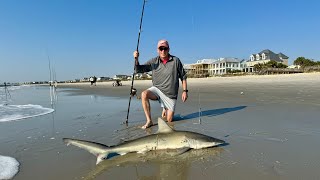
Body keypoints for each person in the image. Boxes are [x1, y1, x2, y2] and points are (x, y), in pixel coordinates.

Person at [133, 39, 188, 129]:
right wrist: (136, 58)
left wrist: (185, 91)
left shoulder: (176, 60)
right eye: (161, 48)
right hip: (157, 90)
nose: (163, 51)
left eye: (165, 48)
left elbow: (183, 76)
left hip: (170, 95)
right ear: (157, 50)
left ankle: (165, 107)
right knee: (144, 94)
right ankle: (149, 121)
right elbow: (139, 69)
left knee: (169, 120)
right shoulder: (153, 61)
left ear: (168, 49)